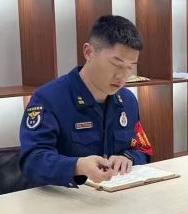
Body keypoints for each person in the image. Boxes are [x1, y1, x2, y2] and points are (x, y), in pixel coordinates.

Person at [19, 15, 153, 188]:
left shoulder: (128, 101)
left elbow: (142, 148)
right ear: (89, 52)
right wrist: (77, 166)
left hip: (115, 196)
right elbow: (32, 161)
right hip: (65, 198)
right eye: (116, 64)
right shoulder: (49, 98)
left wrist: (128, 158)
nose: (122, 76)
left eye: (130, 67)